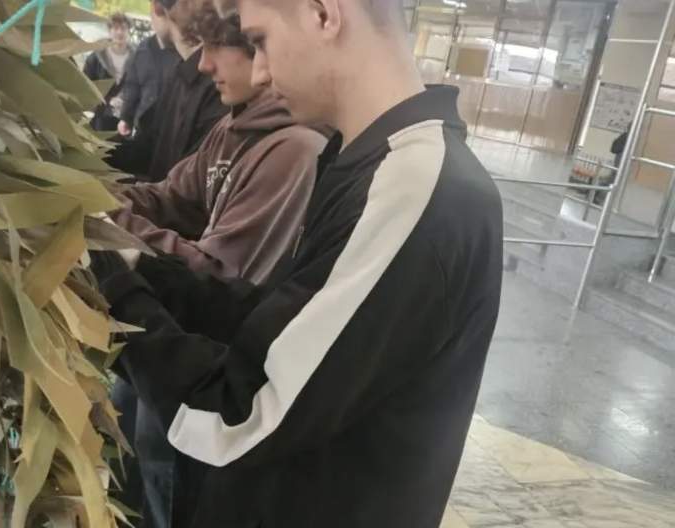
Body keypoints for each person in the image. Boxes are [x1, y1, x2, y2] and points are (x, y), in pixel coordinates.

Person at [96, 0, 503, 527]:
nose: (259, 72)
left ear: (322, 13)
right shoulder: (366, 162)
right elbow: (279, 323)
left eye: (260, 41)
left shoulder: (415, 188)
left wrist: (116, 295)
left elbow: (243, 415)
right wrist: (139, 266)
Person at [103, 2, 327, 526]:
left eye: (216, 49)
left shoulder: (293, 149)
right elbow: (170, 196)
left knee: (164, 467)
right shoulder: (232, 127)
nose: (202, 66)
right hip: (171, 322)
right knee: (129, 431)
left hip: (212, 354)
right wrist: (100, 196)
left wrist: (111, 232)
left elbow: (220, 271)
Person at [108, 0, 229, 180]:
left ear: (157, 7)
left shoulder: (220, 85)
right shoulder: (178, 74)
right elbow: (150, 151)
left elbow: (188, 185)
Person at [116, 5, 180, 138]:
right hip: (145, 125)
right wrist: (126, 118)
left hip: (173, 127)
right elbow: (132, 85)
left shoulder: (184, 50)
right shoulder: (143, 49)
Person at [83, 12, 135, 132]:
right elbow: (85, 89)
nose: (119, 32)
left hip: (126, 120)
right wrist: (107, 101)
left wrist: (124, 99)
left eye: (123, 28)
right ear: (109, 31)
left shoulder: (138, 59)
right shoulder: (95, 58)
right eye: (115, 28)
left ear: (128, 31)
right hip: (99, 121)